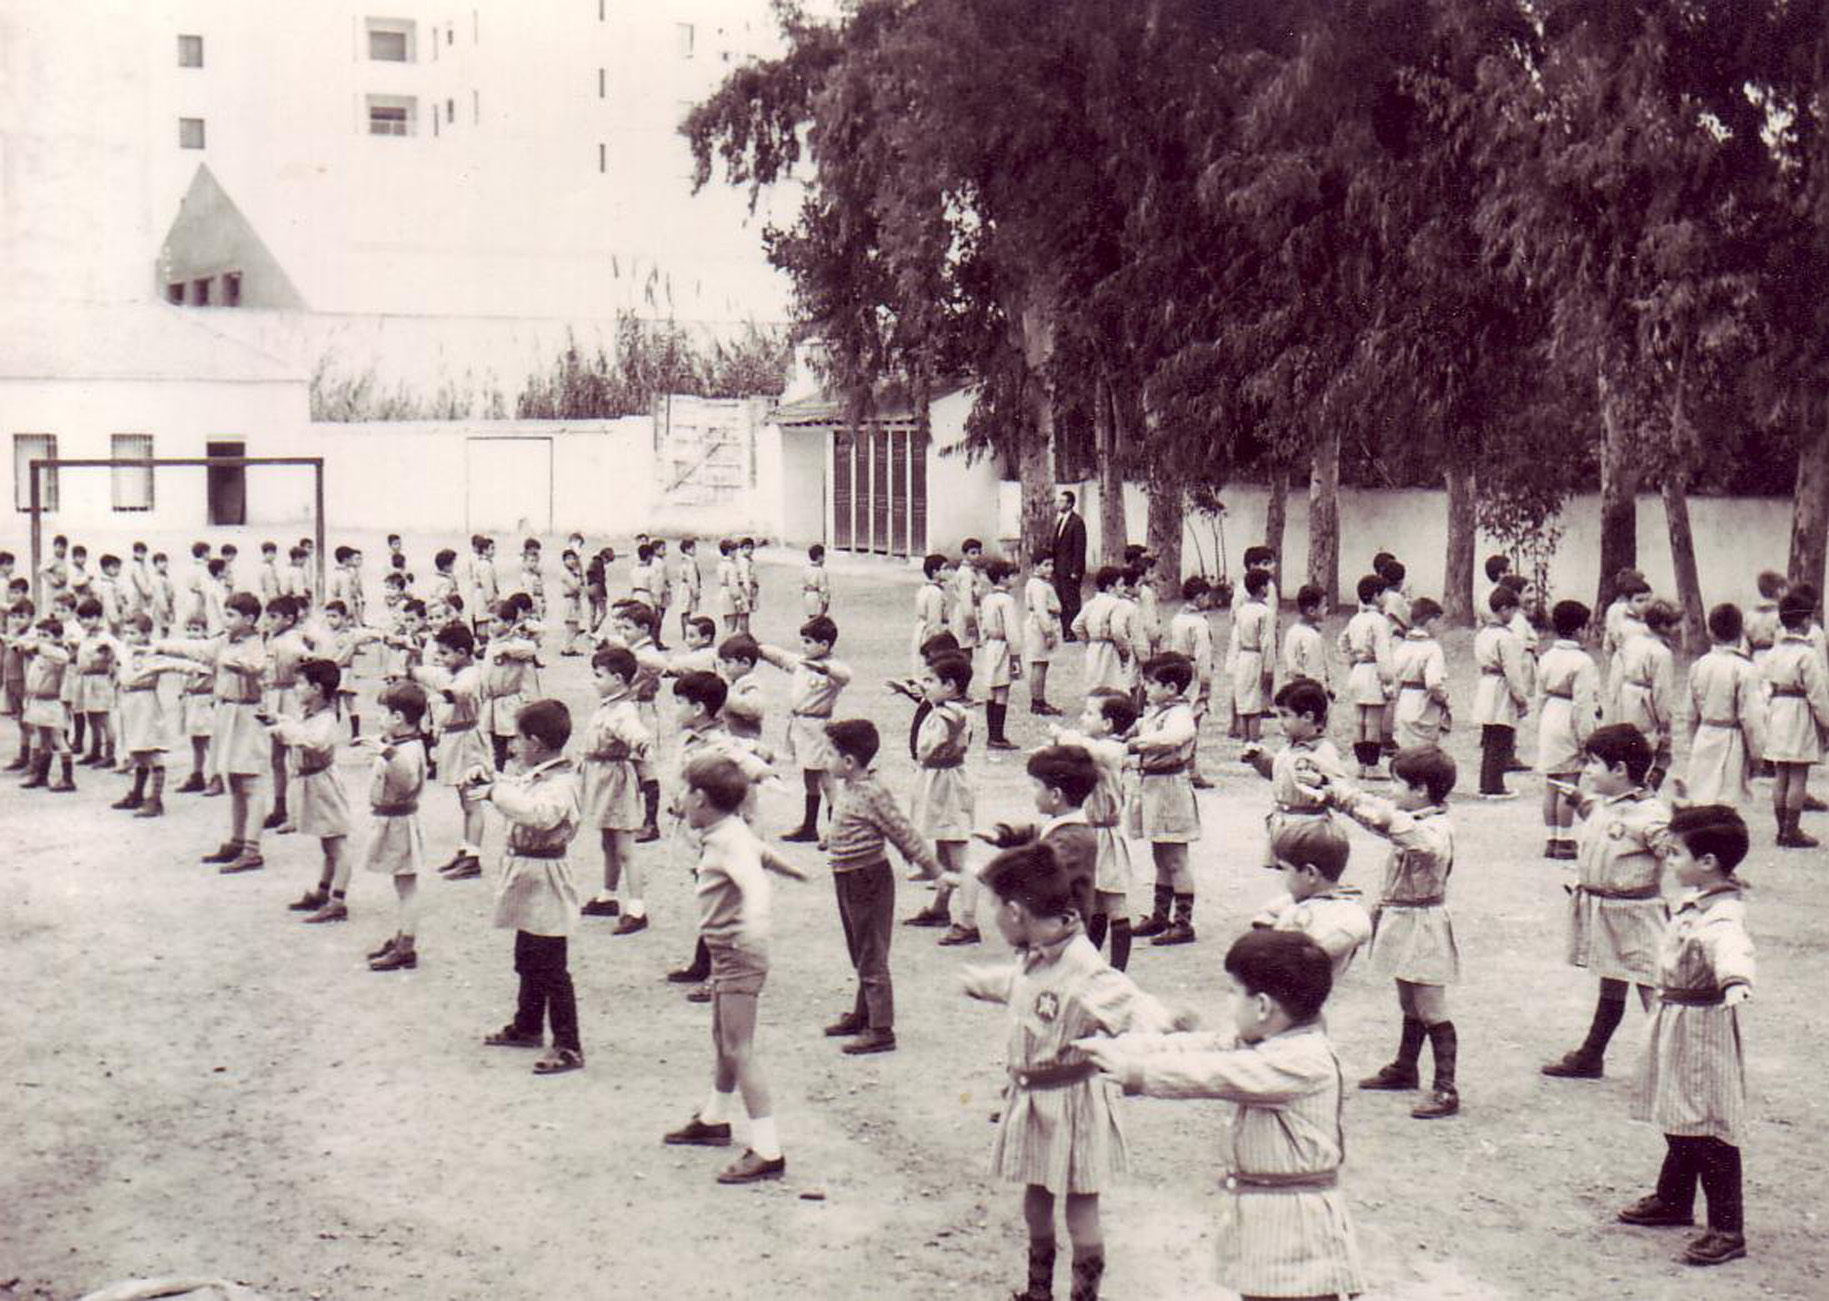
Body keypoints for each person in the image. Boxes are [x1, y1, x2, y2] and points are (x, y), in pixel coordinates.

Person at [1077, 930, 1367, 1301]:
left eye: (1232, 991)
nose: (1228, 1001)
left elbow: (1213, 1074)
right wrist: (1118, 1048)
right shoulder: (1265, 1040)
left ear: (1262, 1006)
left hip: (1299, 1230)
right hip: (1269, 1221)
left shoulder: (1303, 1060)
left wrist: (1137, 1074)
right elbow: (1194, 1047)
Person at [960, 839, 1182, 1301]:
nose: (992, 918)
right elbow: (1023, 987)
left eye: (994, 908)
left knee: (1081, 1210)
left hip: (1075, 1106)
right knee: (1035, 1199)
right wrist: (984, 984)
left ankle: (1084, 1297)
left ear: (1016, 913)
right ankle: (1038, 1291)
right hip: (1033, 1103)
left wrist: (1164, 1023)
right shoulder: (1035, 951)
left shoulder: (1084, 965)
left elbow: (1130, 1002)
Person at [1618, 804, 1753, 1268]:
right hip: (1676, 1018)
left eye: (1676, 854)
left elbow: (1731, 948)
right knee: (1677, 1108)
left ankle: (1727, 1228)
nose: (1669, 861)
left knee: (1706, 1122)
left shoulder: (1723, 914)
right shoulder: (1698, 900)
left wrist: (1735, 980)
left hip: (1700, 1027)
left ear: (1708, 862)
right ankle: (1673, 1198)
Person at [663, 753, 809, 1182]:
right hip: (727, 953)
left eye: (685, 793)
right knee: (724, 1039)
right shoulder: (729, 831)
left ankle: (768, 1149)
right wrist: (794, 870)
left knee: (739, 1048)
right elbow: (762, 854)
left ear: (701, 798)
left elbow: (754, 882)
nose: (680, 801)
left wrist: (754, 923)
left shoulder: (728, 841)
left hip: (737, 953)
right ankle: (714, 1118)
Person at [1317, 747, 1463, 1118]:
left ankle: (1446, 1088)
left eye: (1397, 783)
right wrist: (1337, 792)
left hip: (1425, 924)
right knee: (1408, 1000)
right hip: (1401, 917)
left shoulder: (1436, 828)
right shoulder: (1411, 817)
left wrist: (1386, 817)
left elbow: (1422, 844)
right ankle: (1406, 1066)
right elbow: (1378, 818)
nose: (1391, 789)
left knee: (1431, 1006)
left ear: (1421, 789)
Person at [1542, 724, 1671, 1080]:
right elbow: (1605, 822)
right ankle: (1591, 1055)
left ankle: (1675, 1063)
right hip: (1606, 912)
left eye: (1593, 763)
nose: (1586, 771)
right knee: (1611, 980)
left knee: (1653, 988)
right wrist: (1579, 801)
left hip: (1637, 916)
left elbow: (1674, 853)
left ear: (1620, 770)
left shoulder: (1652, 815)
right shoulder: (1606, 804)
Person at [470, 699, 586, 1073]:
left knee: (552, 963)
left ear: (535, 743)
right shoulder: (542, 774)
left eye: (518, 739)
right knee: (528, 955)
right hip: (529, 872)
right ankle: (528, 1025)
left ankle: (568, 1045)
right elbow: (520, 788)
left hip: (547, 875)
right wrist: (492, 779)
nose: (513, 745)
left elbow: (539, 813)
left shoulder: (563, 783)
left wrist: (494, 793)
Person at [821, 719, 940, 1055]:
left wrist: (933, 869)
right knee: (859, 948)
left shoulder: (872, 792)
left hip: (868, 878)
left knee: (871, 951)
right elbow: (854, 821)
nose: (825, 759)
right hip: (846, 875)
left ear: (848, 762)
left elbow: (902, 831)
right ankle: (864, 1014)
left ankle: (881, 1029)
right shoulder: (850, 787)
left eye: (829, 754)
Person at [156, 593, 272, 874]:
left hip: (247, 715)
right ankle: (237, 840)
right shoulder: (223, 641)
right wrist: (160, 646)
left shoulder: (256, 644)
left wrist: (239, 664)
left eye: (231, 615)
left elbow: (258, 666)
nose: (225, 619)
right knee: (234, 779)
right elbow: (196, 649)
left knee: (251, 782)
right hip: (226, 713)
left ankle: (252, 850)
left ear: (249, 619)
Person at [1046, 694, 1138, 970]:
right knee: (1094, 901)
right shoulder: (1097, 748)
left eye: (1089, 713)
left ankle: (1118, 970)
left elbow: (1083, 748)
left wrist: (1061, 734)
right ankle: (1091, 964)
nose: (1083, 718)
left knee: (1114, 902)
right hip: (1091, 833)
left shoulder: (1111, 749)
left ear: (1108, 723)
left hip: (1106, 835)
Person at [274, 659, 358, 924]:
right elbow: (299, 732)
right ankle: (323, 891)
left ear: (317, 688)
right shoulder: (310, 713)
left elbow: (313, 741)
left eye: (301, 684)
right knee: (326, 840)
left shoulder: (327, 718)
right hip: (312, 783)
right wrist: (281, 722)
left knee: (337, 843)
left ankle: (338, 901)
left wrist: (285, 728)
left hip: (324, 785)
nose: (296, 689)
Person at [1127, 653, 1202, 947]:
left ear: (1171, 688)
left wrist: (1137, 745)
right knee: (1160, 854)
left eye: (1151, 683)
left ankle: (1183, 923)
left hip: (1171, 787)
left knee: (1176, 858)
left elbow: (1175, 736)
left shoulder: (1180, 714)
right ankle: (1160, 916)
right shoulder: (1155, 712)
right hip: (1154, 786)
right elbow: (1136, 728)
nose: (1146, 688)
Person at [408, 623, 494, 880]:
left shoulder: (471, 674)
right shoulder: (452, 672)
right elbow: (431, 675)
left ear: (462, 653)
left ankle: (473, 857)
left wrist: (441, 695)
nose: (440, 658)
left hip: (467, 742)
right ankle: (465, 850)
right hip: (455, 740)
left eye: (445, 653)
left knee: (472, 801)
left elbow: (459, 692)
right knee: (464, 800)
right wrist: (411, 668)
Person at [577, 646, 653, 931]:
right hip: (601, 778)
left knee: (625, 847)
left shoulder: (623, 710)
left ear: (618, 679)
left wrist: (642, 744)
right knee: (608, 840)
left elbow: (635, 732)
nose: (594, 681)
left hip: (616, 781)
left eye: (599, 675)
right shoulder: (609, 705)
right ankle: (608, 896)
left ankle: (637, 909)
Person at [761, 615, 854, 843]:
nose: (803, 646)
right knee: (809, 776)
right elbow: (780, 657)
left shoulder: (831, 669)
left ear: (824, 644)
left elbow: (845, 675)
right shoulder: (802, 662)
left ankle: (837, 831)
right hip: (800, 727)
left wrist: (824, 669)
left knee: (826, 779)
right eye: (803, 641)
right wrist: (758, 648)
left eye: (808, 642)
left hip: (818, 728)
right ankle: (810, 826)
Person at [907, 652, 979, 942]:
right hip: (938, 780)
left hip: (947, 784)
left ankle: (969, 922)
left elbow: (926, 748)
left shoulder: (949, 714)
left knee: (959, 855)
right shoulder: (948, 709)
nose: (924, 687)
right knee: (944, 848)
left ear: (950, 686)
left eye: (930, 681)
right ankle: (940, 907)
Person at [1242, 678, 1347, 871]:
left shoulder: (1323, 750)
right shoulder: (1288, 748)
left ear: (1308, 717)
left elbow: (1341, 787)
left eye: (1285, 715)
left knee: (1303, 875)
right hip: (1284, 823)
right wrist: (1259, 758)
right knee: (1285, 877)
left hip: (1309, 827)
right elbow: (1279, 775)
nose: (1280, 722)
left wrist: (1321, 781)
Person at [1250, 817, 1370, 980]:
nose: (1281, 879)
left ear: (1310, 873)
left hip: (1294, 990)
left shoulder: (1331, 913)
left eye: (1285, 870)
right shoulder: (1346, 905)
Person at [1761, 588, 1829, 847]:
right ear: (1805, 621)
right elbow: (1817, 694)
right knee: (1799, 773)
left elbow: (1764, 684)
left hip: (1777, 711)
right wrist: (1827, 722)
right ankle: (1792, 831)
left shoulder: (1774, 652)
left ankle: (1781, 830)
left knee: (1781, 773)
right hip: (1799, 712)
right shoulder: (1807, 654)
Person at [1683, 604, 1766, 808]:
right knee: (1726, 799)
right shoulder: (1745, 669)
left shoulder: (1699, 665)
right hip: (1731, 740)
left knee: (1702, 796)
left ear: (1710, 632)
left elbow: (1690, 712)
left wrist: (1693, 740)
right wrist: (1758, 753)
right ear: (1741, 633)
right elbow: (1752, 717)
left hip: (1705, 734)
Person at [1537, 600, 1601, 860]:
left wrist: (1543, 719)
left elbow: (1539, 695)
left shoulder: (1546, 656)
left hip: (1550, 715)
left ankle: (1551, 837)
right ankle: (1565, 839)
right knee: (1569, 782)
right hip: (1568, 717)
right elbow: (1583, 705)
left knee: (1551, 782)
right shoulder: (1582, 662)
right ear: (1578, 630)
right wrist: (1587, 739)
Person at [110, 614, 174, 816]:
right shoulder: (126, 652)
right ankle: (137, 794)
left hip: (145, 703)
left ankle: (155, 799)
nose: (128, 637)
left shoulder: (152, 653)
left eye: (133, 633)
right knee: (136, 750)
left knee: (150, 749)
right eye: (126, 633)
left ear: (146, 634)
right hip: (129, 703)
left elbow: (174, 664)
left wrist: (198, 670)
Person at [1472, 584, 1532, 799]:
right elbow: (1513, 671)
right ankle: (1494, 786)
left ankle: (1486, 783)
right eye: (1513, 611)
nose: (1514, 615)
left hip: (1486, 683)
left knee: (1490, 737)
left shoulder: (1483, 634)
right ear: (1504, 609)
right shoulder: (1506, 637)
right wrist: (1521, 699)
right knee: (1501, 737)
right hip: (1501, 686)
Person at [1618, 598, 1681, 790]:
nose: (1678, 630)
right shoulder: (1661, 653)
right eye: (1675, 625)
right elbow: (1662, 691)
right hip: (1645, 704)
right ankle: (1645, 790)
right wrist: (1665, 723)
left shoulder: (1632, 642)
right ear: (1663, 625)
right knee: (1655, 753)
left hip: (1626, 699)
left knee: (1630, 749)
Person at [1337, 573, 1394, 779]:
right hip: (1373, 671)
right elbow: (1383, 653)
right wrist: (1388, 681)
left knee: (1358, 720)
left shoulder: (1355, 619)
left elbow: (1342, 642)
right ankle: (1372, 765)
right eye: (1385, 593)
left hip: (1358, 670)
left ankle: (1360, 765)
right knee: (1373, 721)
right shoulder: (1379, 621)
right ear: (1377, 596)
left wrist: (1352, 660)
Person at [1167, 577, 1216, 788]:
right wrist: (1206, 683)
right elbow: (1203, 655)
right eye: (1206, 596)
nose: (1208, 600)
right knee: (1193, 720)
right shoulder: (1199, 623)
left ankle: (1180, 765)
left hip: (1176, 667)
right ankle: (1191, 769)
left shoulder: (1177, 619)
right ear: (1199, 597)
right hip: (1193, 670)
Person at [1226, 568, 1276, 746]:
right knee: (1254, 704)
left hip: (1242, 657)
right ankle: (1252, 743)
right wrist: (1269, 668)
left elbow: (1236, 637)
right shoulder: (1265, 612)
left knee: (1243, 701)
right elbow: (1267, 642)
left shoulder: (1242, 610)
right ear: (1262, 588)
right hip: (1256, 656)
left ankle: (1245, 740)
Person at [979, 560, 1022, 751]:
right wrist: (1016, 654)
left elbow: (982, 623)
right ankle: (997, 736)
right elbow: (1011, 630)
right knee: (1002, 689)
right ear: (1003, 578)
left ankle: (993, 734)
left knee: (991, 688)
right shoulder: (1007, 601)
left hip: (990, 645)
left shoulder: (988, 599)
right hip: (1003, 645)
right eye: (1012, 575)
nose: (1015, 579)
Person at [1070, 567, 1131, 694]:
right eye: (1121, 585)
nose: (1124, 588)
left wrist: (1089, 641)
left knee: (1095, 680)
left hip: (1094, 647)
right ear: (1110, 588)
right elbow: (1118, 631)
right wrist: (1124, 649)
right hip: (1110, 647)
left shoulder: (1091, 604)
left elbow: (1076, 626)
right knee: (1114, 682)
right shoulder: (1117, 604)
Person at [1023, 553, 1062, 715]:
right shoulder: (1038, 585)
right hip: (1039, 626)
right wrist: (1048, 632)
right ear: (1035, 566)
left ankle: (1039, 700)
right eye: (1045, 565)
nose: (1050, 569)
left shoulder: (1040, 583)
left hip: (1042, 623)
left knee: (1042, 663)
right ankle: (1037, 702)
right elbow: (1040, 610)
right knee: (1039, 663)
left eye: (1051, 565)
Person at [1052, 489, 1087, 641]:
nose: (1058, 504)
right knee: (1061, 600)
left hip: (1070, 570)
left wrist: (1076, 570)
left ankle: (1073, 631)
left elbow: (1080, 548)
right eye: (1058, 501)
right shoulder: (1061, 521)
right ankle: (1065, 630)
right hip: (1059, 569)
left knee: (1072, 601)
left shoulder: (1077, 522)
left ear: (1070, 504)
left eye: (1062, 501)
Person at [912, 553, 952, 673]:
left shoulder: (924, 589)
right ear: (935, 572)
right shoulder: (935, 593)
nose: (948, 572)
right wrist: (937, 642)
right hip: (930, 632)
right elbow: (934, 621)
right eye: (944, 569)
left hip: (922, 629)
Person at [716, 539, 748, 635]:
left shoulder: (720, 564)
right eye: (735, 551)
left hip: (723, 592)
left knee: (727, 624)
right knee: (731, 626)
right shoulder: (731, 566)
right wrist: (738, 600)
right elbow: (733, 584)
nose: (736, 553)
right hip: (730, 595)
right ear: (730, 551)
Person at [674, 536, 702, 644]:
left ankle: (685, 633)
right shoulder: (690, 562)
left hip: (684, 586)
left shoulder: (683, 560)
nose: (694, 550)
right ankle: (686, 633)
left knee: (685, 611)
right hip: (688, 588)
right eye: (692, 548)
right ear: (686, 549)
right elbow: (692, 578)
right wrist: (696, 592)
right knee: (686, 611)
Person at [802, 543, 830, 618]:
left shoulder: (806, 569)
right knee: (818, 619)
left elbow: (803, 585)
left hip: (807, 596)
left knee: (810, 618)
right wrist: (826, 602)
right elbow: (824, 589)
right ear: (819, 557)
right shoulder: (821, 571)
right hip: (817, 597)